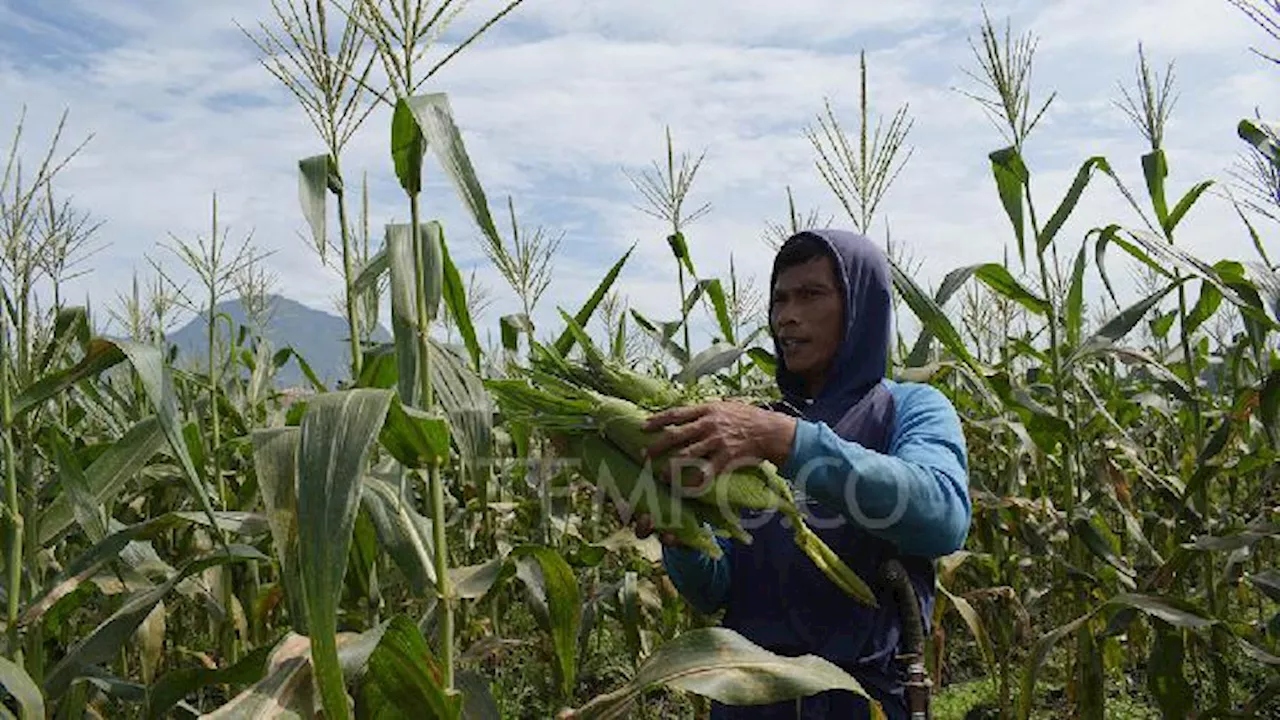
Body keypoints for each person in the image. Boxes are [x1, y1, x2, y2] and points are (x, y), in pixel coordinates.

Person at [634, 228, 972, 719]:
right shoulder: (745, 427)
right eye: (780, 299)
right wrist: (681, 535)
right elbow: (717, 589)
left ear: (861, 307)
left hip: (861, 702)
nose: (787, 316)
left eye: (811, 295)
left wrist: (785, 440)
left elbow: (941, 517)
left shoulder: (908, 408)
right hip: (750, 696)